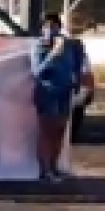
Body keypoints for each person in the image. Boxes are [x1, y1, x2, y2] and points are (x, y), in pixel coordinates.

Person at [30, 13, 76, 182]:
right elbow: (37, 72)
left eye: (54, 26)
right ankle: (45, 170)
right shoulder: (39, 47)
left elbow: (73, 66)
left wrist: (75, 82)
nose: (50, 30)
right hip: (47, 93)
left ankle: (54, 167)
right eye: (47, 26)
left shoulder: (67, 45)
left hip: (64, 92)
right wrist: (52, 56)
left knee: (59, 132)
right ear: (42, 29)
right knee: (46, 132)